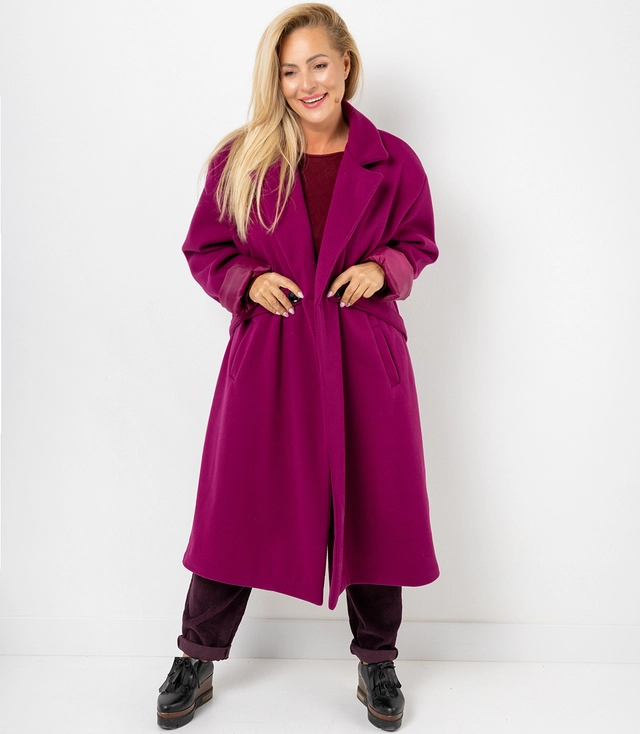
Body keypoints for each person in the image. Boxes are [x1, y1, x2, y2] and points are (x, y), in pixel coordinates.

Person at [156, 3, 439, 731]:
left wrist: (384, 268)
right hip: (272, 354)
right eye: (289, 71)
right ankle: (196, 655)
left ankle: (377, 661)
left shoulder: (393, 160)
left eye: (318, 64)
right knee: (236, 503)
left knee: (374, 506)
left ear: (346, 63)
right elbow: (206, 249)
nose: (307, 83)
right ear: (275, 80)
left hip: (362, 352)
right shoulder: (243, 158)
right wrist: (247, 281)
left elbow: (418, 242)